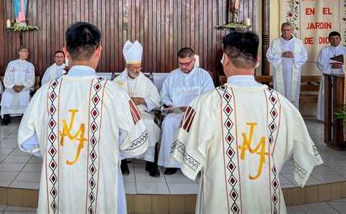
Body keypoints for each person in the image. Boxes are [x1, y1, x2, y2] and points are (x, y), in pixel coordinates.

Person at [172, 31, 323, 213]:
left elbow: (189, 156)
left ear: (225, 59)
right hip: (266, 196)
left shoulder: (205, 103)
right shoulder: (284, 105)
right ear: (258, 60)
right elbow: (304, 155)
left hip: (220, 200)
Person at [18, 22, 148, 214]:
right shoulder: (115, 93)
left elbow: (26, 140)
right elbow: (138, 143)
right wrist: (110, 152)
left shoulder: (44, 93)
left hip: (59, 182)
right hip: (103, 183)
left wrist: (55, 151)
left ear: (66, 52)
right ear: (99, 50)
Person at [158, 47, 214, 175]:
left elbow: (209, 97)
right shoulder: (172, 76)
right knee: (168, 124)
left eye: (187, 64)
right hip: (176, 113)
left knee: (198, 126)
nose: (183, 67)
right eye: (180, 63)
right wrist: (170, 106)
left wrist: (194, 109)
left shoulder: (203, 76)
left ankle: (194, 163)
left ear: (194, 60)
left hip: (196, 114)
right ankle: (171, 163)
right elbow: (164, 96)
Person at [113, 40, 161, 177]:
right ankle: (122, 162)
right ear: (127, 67)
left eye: (139, 67)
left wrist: (140, 100)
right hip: (123, 114)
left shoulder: (146, 81)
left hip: (142, 113)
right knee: (120, 126)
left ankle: (150, 163)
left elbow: (156, 100)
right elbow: (111, 100)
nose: (137, 70)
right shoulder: (117, 81)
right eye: (134, 67)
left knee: (149, 124)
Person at [266, 22, 308, 108]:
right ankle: (280, 114)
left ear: (291, 30)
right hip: (280, 72)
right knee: (280, 93)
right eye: (284, 30)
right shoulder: (275, 42)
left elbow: (304, 56)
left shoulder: (298, 42)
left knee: (293, 94)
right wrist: (281, 55)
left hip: (294, 72)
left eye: (288, 30)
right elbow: (269, 55)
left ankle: (293, 115)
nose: (286, 32)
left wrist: (294, 55)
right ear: (281, 30)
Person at [316, 31, 346, 121]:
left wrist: (342, 66)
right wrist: (331, 65)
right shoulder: (324, 51)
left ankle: (342, 118)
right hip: (328, 79)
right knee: (328, 98)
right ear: (329, 40)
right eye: (332, 39)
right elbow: (320, 64)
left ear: (340, 39)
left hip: (342, 78)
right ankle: (326, 118)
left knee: (341, 98)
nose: (334, 40)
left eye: (336, 38)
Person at [0, 47, 35, 126]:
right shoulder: (11, 64)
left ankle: (24, 115)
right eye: (24, 51)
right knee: (7, 93)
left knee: (25, 93)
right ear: (19, 53)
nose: (26, 53)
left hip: (25, 87)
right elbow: (7, 77)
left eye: (27, 52)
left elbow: (31, 79)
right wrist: (13, 86)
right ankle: (6, 116)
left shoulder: (30, 65)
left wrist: (22, 86)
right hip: (12, 86)